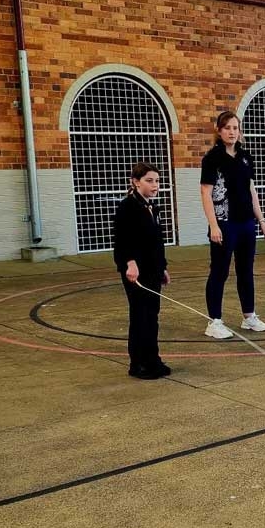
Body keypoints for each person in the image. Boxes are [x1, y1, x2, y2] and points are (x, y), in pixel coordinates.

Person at [200, 110, 265, 339]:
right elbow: (206, 192)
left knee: (246, 271)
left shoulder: (245, 157)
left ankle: (249, 316)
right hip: (224, 223)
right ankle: (215, 321)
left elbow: (251, 190)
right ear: (219, 131)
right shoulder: (212, 158)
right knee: (219, 272)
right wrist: (213, 225)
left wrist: (261, 220)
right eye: (227, 128)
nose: (232, 132)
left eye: (235, 127)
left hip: (245, 223)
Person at [112, 162, 171, 379]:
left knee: (152, 315)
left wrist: (162, 267)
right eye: (149, 181)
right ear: (136, 182)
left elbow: (157, 242)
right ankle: (138, 363)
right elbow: (122, 240)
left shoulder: (152, 207)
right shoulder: (128, 207)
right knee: (140, 316)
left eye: (157, 180)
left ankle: (152, 359)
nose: (155, 185)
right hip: (136, 271)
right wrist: (129, 262)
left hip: (153, 269)